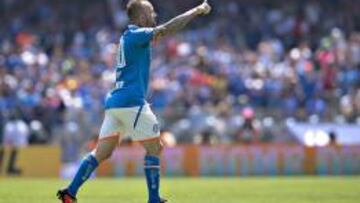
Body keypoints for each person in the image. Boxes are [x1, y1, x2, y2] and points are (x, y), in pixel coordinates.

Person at [57, 0, 211, 203]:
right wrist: (196, 10)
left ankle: (70, 192)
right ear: (140, 17)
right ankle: (154, 199)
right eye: (151, 12)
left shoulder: (128, 37)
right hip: (131, 102)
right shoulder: (137, 34)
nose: (154, 16)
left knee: (101, 153)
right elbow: (166, 29)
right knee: (155, 148)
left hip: (115, 104)